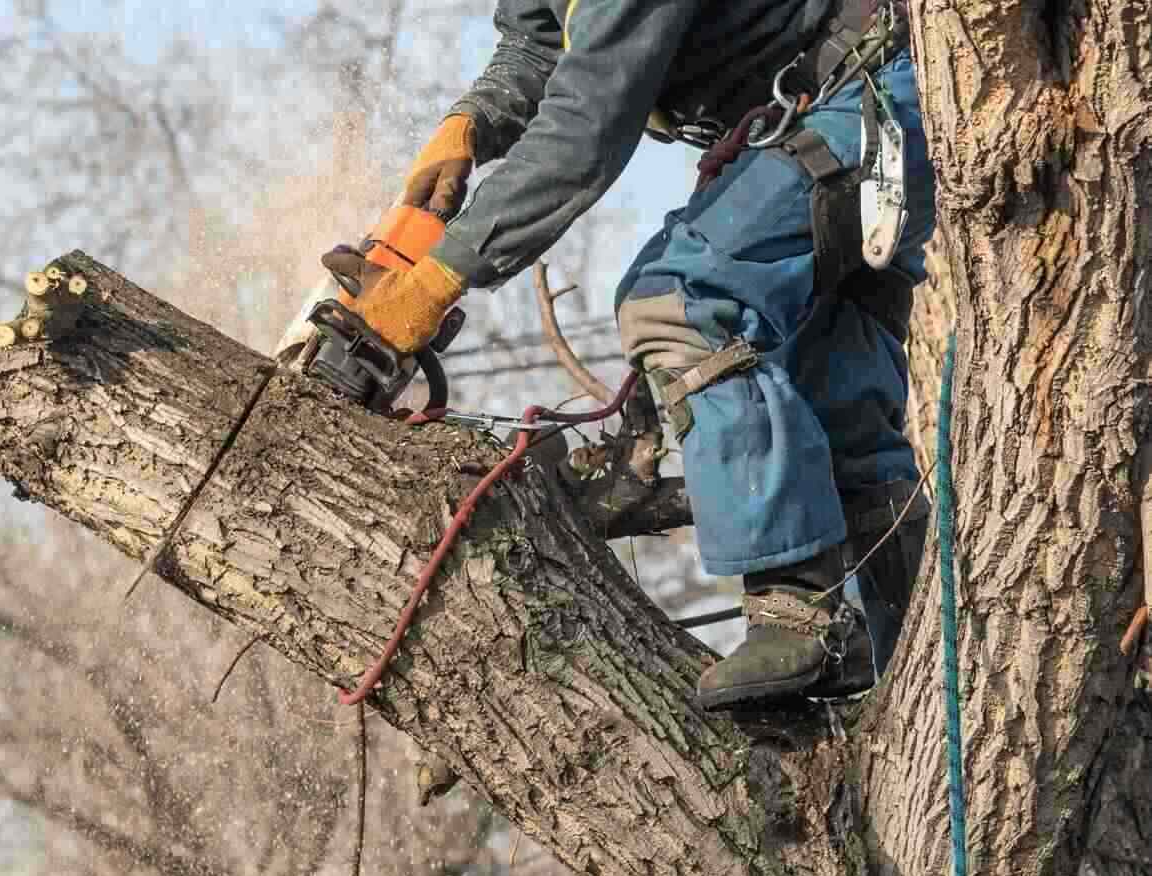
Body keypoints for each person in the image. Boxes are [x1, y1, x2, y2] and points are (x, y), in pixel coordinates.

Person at [338, 0, 936, 708]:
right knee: (827, 385)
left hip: (871, 99)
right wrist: (473, 122)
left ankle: (794, 609)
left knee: (678, 298)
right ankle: (908, 650)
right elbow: (537, 46)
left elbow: (586, 127)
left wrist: (436, 279)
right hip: (822, 114)